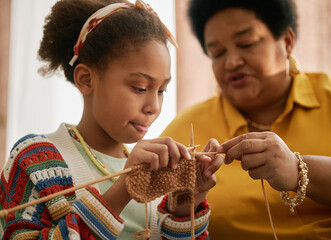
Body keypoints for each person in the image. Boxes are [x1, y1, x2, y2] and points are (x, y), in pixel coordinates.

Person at [0, 0, 223, 239]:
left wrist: (185, 205)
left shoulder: (158, 172)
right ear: (86, 79)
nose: (153, 107)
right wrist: (123, 190)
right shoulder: (35, 160)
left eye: (161, 90)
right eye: (139, 88)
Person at [161, 0, 331, 239]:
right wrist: (183, 206)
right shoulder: (183, 131)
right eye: (218, 53)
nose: (232, 62)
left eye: (246, 44)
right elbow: (153, 224)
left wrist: (299, 171)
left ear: (287, 41)